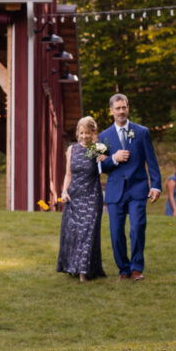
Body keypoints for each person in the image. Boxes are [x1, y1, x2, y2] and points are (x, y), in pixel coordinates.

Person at [99, 93, 161, 281]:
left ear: (128, 108)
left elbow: (152, 160)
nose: (121, 111)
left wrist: (156, 185)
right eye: (117, 108)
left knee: (137, 228)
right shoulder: (103, 136)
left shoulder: (142, 132)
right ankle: (123, 269)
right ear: (111, 111)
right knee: (116, 233)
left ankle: (136, 268)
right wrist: (113, 159)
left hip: (137, 188)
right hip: (115, 190)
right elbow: (99, 166)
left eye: (124, 107)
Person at [57, 116, 106, 281]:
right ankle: (74, 267)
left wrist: (103, 157)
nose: (84, 136)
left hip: (92, 196)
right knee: (75, 233)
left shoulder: (96, 148)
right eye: (82, 132)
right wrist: (64, 191)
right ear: (78, 133)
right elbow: (68, 174)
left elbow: (106, 164)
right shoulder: (72, 150)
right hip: (74, 195)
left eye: (88, 133)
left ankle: (84, 271)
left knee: (88, 232)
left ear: (93, 133)